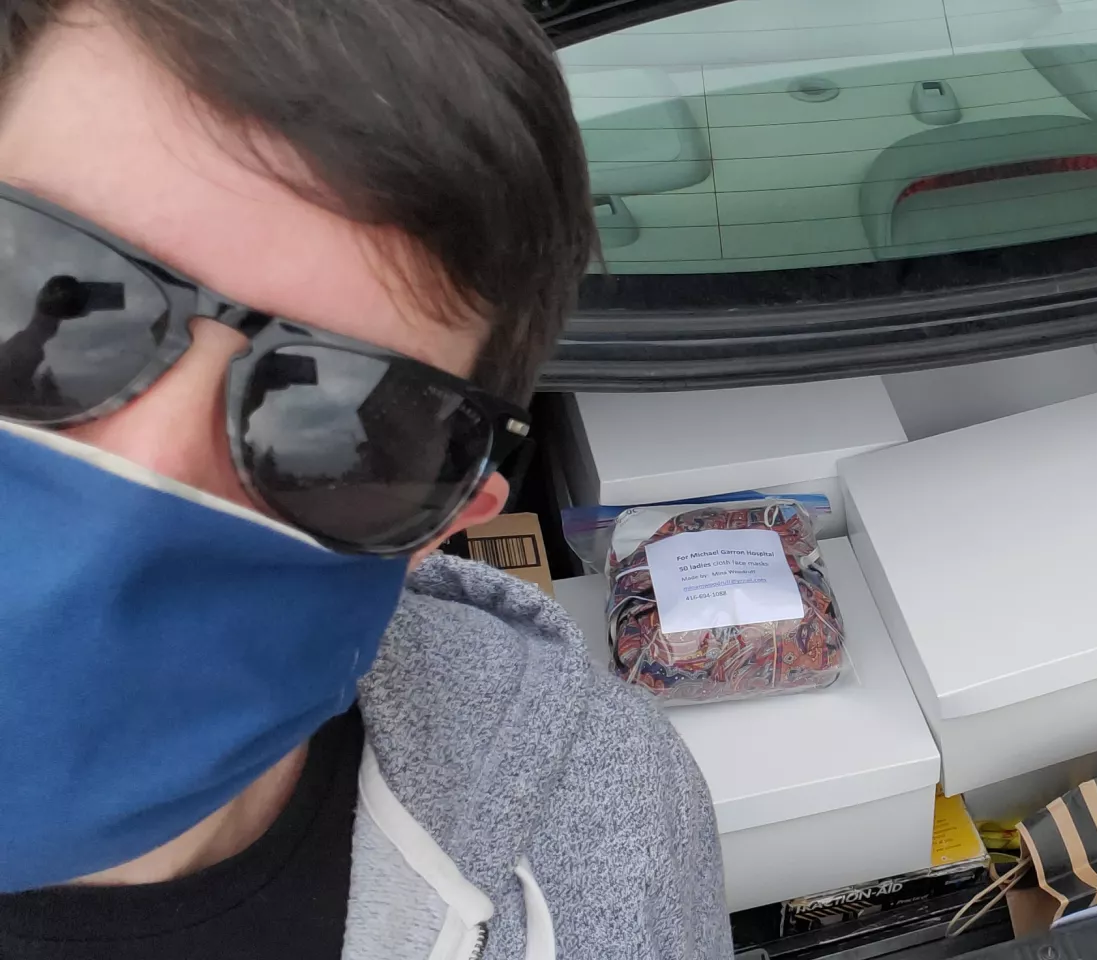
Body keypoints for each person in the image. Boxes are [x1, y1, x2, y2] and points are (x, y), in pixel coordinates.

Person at [0, 1, 732, 958]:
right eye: (50, 297)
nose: (145, 468)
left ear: (443, 519)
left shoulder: (602, 831)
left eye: (342, 424)